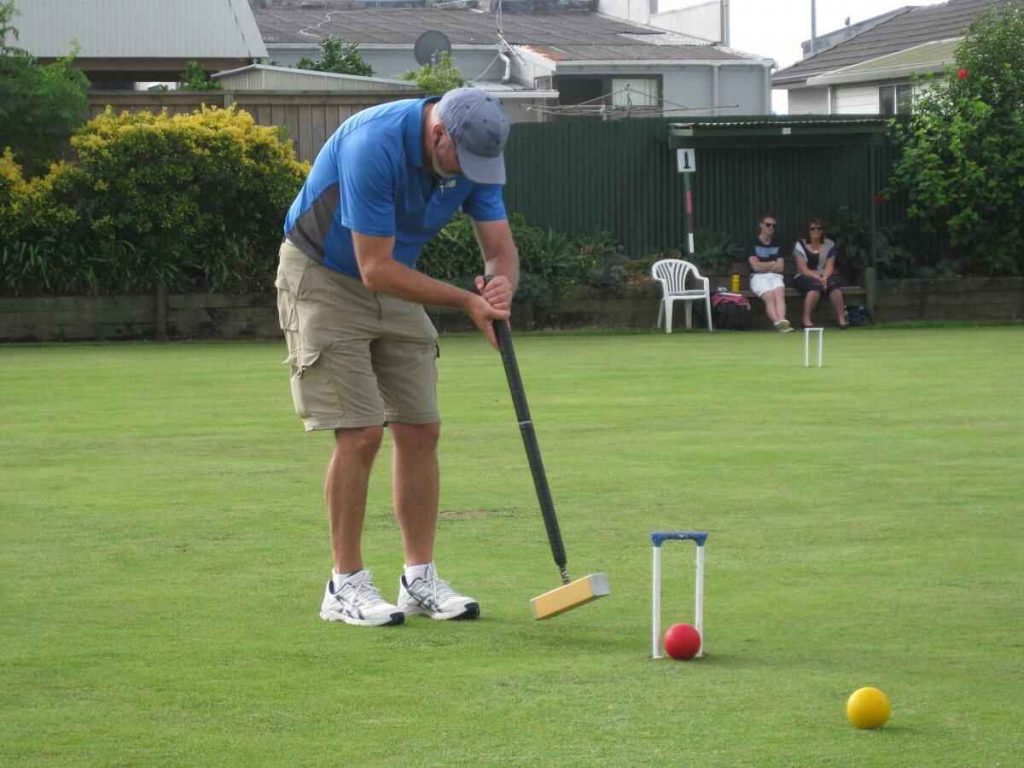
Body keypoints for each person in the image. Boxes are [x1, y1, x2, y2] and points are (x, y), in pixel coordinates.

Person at [274, 88, 519, 627]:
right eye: (464, 160)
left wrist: (500, 289)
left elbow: (500, 249)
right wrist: (466, 300)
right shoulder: (373, 144)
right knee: (360, 431)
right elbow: (374, 267)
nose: (473, 173)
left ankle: (420, 579)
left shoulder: (475, 158)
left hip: (394, 279)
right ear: (438, 136)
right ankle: (345, 584)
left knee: (420, 427)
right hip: (324, 275)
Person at [792, 218, 848, 328]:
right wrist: (817, 277)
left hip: (824, 276)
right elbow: (802, 268)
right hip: (804, 276)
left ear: (823, 231)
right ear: (808, 231)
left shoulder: (829, 244)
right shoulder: (800, 245)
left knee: (834, 286)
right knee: (815, 287)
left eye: (819, 228)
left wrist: (825, 278)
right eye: (812, 229)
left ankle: (841, 319)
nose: (816, 231)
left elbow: (830, 266)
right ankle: (806, 319)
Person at [748, 213, 792, 332]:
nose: (771, 228)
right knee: (769, 296)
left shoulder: (778, 244)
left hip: (775, 276)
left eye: (773, 226)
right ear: (761, 225)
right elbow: (755, 267)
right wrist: (772, 263)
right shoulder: (752, 243)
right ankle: (778, 323)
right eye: (768, 225)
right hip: (758, 277)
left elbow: (780, 267)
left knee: (779, 292)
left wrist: (764, 265)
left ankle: (782, 321)